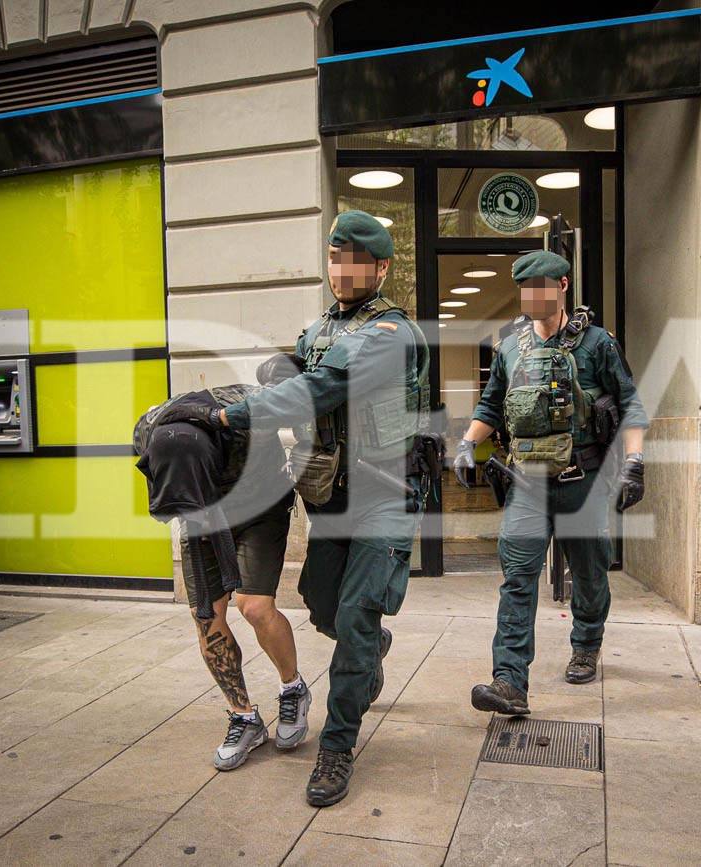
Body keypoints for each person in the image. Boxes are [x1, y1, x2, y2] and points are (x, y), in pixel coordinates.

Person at [169, 211, 436, 807]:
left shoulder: (391, 333)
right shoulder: (319, 329)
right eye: (335, 258)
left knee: (358, 618)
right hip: (333, 494)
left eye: (356, 260)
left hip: (385, 496)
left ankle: (337, 746)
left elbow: (320, 389)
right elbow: (292, 380)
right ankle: (369, 648)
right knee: (321, 605)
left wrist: (227, 415)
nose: (342, 271)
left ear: (382, 266)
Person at [455, 250, 649, 716]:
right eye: (526, 288)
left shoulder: (597, 344)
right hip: (528, 483)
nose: (533, 296)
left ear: (562, 287)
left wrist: (635, 462)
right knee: (518, 579)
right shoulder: (509, 349)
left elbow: (630, 406)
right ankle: (509, 681)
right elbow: (490, 406)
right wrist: (468, 444)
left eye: (542, 287)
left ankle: (586, 642)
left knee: (588, 572)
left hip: (583, 481)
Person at [134, 354, 310, 772]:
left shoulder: (247, 414)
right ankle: (244, 716)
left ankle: (293, 688)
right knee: (206, 617)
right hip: (201, 513)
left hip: (258, 506)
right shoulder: (150, 429)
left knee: (254, 605)